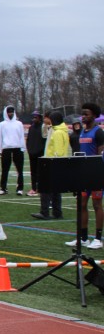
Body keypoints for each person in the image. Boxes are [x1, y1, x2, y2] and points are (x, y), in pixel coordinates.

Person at [67, 103, 104, 249]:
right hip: (83, 174)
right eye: (82, 114)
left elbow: (100, 154)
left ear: (94, 115)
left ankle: (98, 239)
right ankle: (83, 238)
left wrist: (97, 171)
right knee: (81, 204)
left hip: (95, 175)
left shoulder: (98, 132)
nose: (83, 117)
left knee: (97, 205)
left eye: (86, 114)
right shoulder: (82, 131)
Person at [32, 111, 70, 221]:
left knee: (45, 188)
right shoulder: (62, 131)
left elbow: (57, 150)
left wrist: (52, 162)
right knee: (56, 189)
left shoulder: (57, 133)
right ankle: (57, 212)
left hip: (52, 162)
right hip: (59, 162)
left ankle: (44, 212)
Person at [0, 105, 25, 195]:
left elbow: (22, 136)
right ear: (6, 113)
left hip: (18, 149)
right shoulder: (2, 124)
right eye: (9, 112)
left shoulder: (19, 124)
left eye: (12, 112)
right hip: (6, 149)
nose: (10, 114)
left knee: (20, 170)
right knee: (5, 170)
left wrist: (23, 148)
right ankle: (3, 188)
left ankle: (20, 188)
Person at [25, 111, 45, 196]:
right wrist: (29, 150)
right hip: (32, 154)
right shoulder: (31, 128)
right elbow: (28, 140)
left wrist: (41, 151)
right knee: (33, 172)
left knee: (41, 172)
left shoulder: (43, 127)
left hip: (40, 154)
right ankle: (34, 188)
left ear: (40, 118)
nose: (34, 119)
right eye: (33, 117)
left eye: (36, 117)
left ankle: (40, 188)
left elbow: (44, 141)